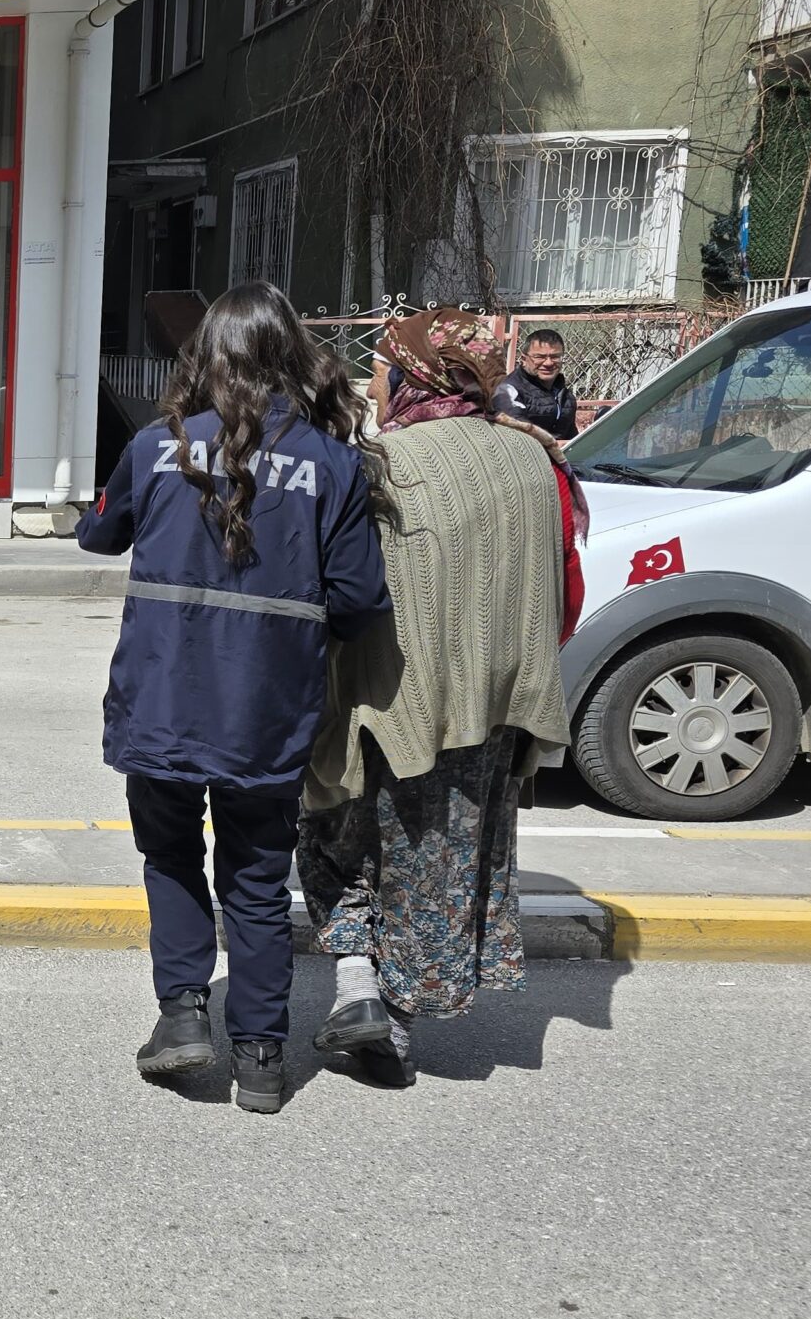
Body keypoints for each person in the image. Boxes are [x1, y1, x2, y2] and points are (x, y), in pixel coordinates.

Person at [79, 283, 391, 1114]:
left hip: (162, 703)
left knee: (172, 857)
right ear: (293, 354)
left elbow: (96, 533)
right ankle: (260, 1059)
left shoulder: (155, 447)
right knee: (255, 882)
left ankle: (183, 1015)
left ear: (205, 358)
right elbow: (360, 600)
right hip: (268, 710)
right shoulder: (332, 462)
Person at [299, 308, 584, 1087]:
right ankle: (392, 1021)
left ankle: (360, 988)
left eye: (384, 366)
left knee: (339, 837)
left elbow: (338, 586)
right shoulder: (538, 460)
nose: (376, 381)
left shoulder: (379, 463)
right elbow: (566, 593)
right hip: (495, 703)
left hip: (383, 701)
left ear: (412, 371)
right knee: (444, 857)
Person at [492, 326, 579, 444]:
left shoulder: (566, 397)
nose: (548, 363)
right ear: (523, 359)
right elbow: (517, 437)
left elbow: (572, 438)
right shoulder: (507, 391)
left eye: (555, 357)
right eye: (539, 357)